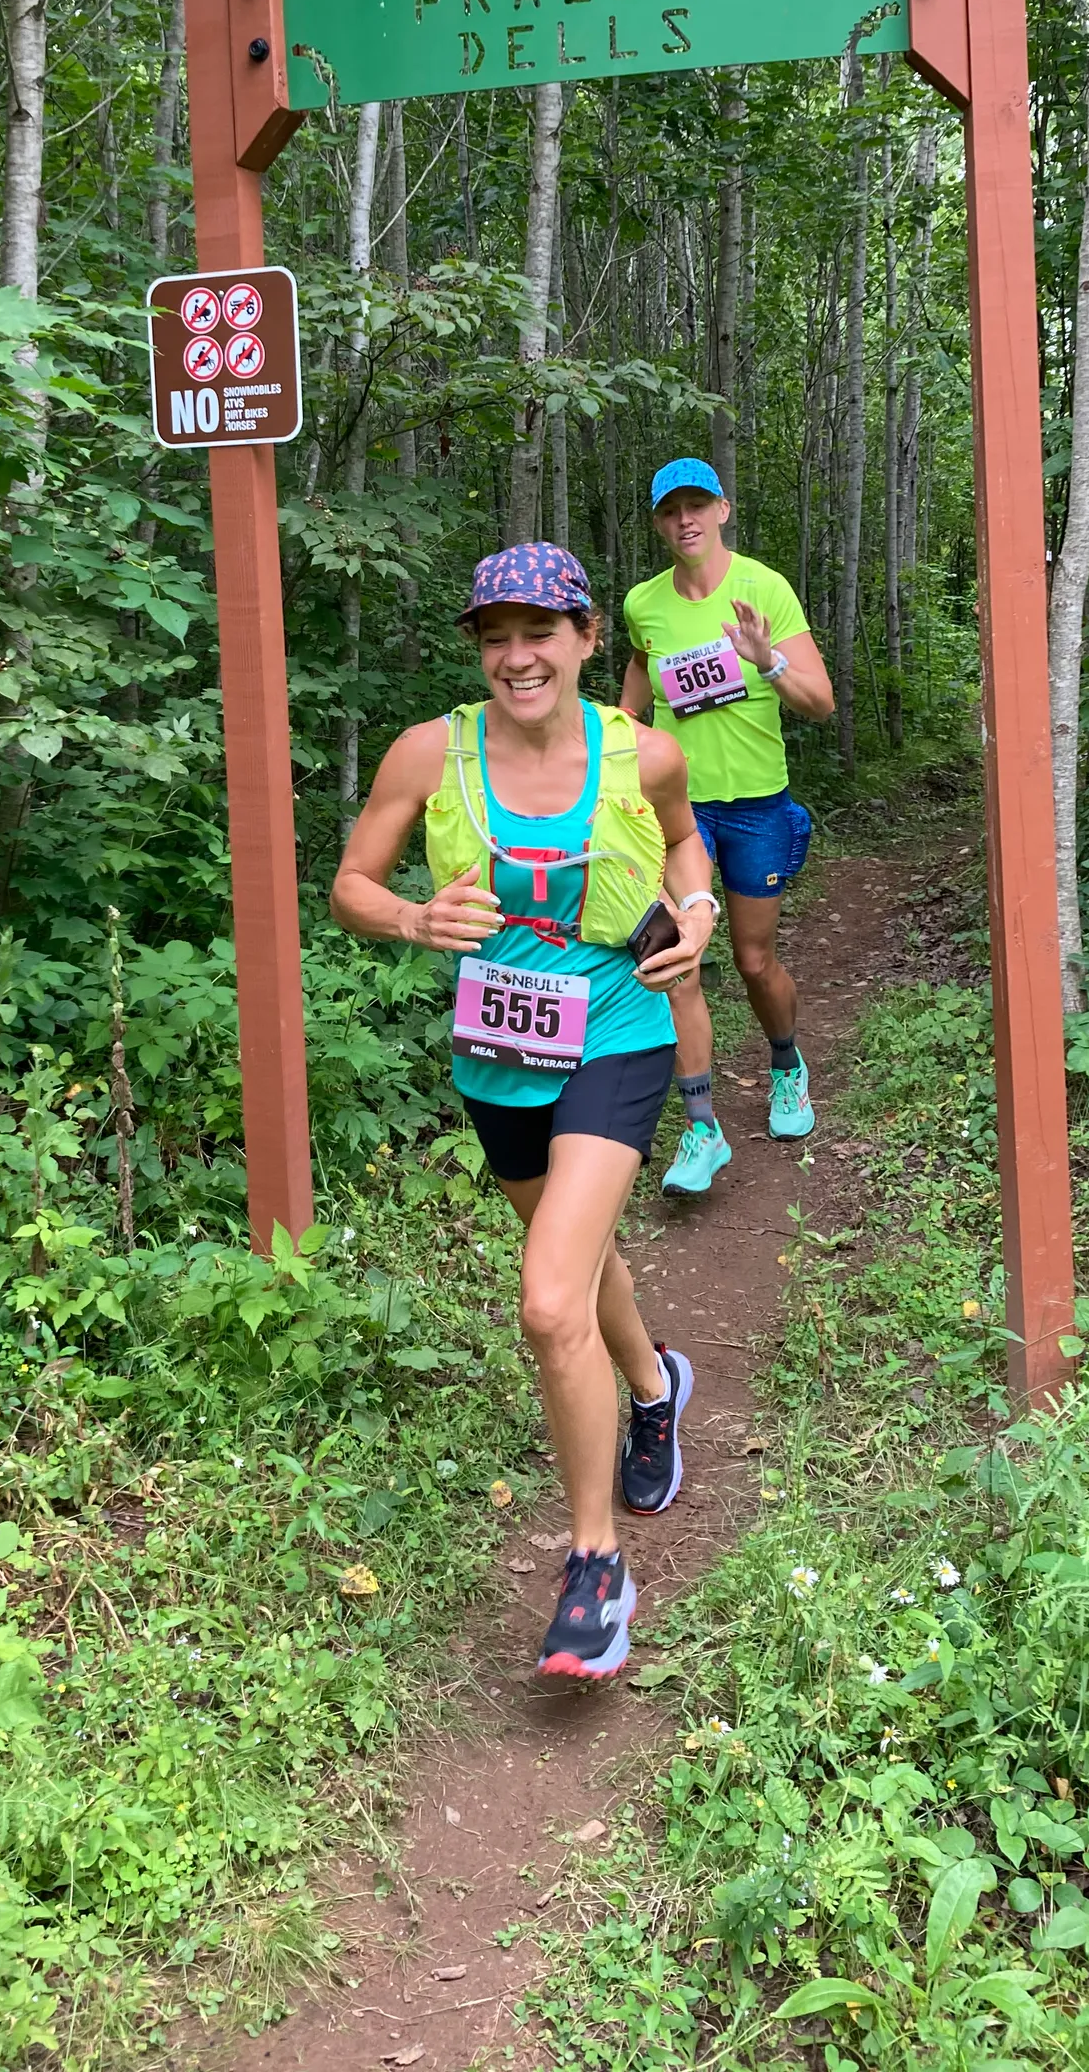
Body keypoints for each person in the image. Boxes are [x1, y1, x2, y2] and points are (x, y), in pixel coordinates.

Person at [331, 543, 718, 1680]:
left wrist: (693, 914)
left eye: (540, 631)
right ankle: (657, 1385)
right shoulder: (429, 752)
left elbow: (688, 844)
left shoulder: (643, 752)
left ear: (589, 639)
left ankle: (596, 1569)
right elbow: (353, 883)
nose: (517, 655)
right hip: (498, 1048)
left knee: (550, 1302)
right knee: (580, 1260)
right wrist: (409, 920)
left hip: (616, 1026)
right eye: (495, 635)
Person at [620, 459, 834, 1193]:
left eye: (697, 506)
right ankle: (702, 1129)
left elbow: (821, 702)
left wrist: (765, 659)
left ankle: (786, 1065)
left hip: (756, 805)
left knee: (752, 960)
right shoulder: (643, 605)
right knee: (676, 963)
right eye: (670, 510)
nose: (685, 520)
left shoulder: (764, 588)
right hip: (676, 813)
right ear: (657, 522)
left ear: (722, 510)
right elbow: (631, 711)